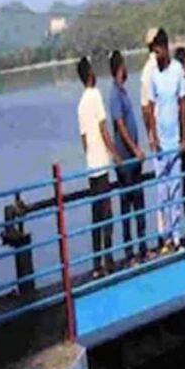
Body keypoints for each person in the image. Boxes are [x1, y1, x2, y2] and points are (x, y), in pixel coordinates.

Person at [76, 56, 120, 278]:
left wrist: (92, 155)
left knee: (96, 216)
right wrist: (114, 153)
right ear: (90, 74)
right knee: (107, 214)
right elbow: (103, 129)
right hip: (102, 165)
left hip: (91, 166)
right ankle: (109, 258)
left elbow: (84, 140)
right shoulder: (95, 96)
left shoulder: (81, 104)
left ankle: (96, 263)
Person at [149, 29, 185, 253]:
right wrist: (153, 136)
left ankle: (176, 236)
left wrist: (184, 136)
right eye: (154, 52)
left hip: (175, 140)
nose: (156, 55)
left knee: (176, 190)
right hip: (160, 145)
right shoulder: (154, 75)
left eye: (158, 51)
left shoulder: (177, 71)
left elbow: (182, 105)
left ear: (165, 48)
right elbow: (152, 108)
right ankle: (164, 238)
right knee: (162, 192)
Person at [107, 50, 147, 266]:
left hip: (132, 159)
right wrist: (135, 150)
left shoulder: (123, 92)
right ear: (120, 68)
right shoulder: (114, 94)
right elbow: (120, 126)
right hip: (126, 160)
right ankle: (131, 252)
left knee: (139, 204)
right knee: (128, 205)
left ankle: (141, 247)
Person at [140, 27, 160, 145]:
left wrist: (150, 135)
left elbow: (145, 109)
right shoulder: (167, 66)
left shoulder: (146, 71)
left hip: (157, 133)